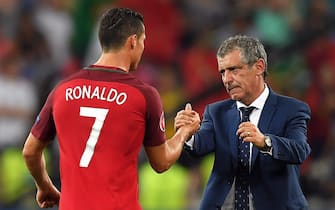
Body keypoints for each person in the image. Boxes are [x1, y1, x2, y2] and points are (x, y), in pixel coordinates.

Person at [22, 7, 200, 210]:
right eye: (143, 40)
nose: (143, 47)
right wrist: (184, 131)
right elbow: (161, 162)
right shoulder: (143, 95)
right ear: (133, 41)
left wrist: (44, 186)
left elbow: (30, 152)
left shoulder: (62, 90)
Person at [175, 35, 311, 210]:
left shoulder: (291, 109)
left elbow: (300, 151)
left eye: (234, 69)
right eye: (223, 72)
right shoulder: (216, 112)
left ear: (259, 67)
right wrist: (188, 133)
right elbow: (200, 147)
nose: (227, 79)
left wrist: (265, 142)